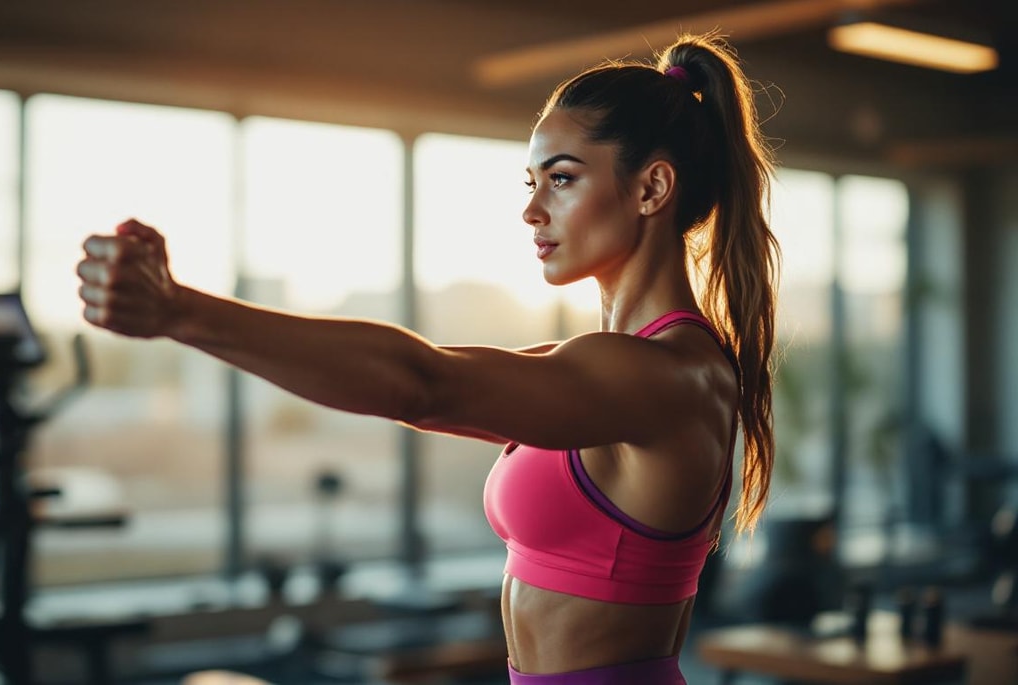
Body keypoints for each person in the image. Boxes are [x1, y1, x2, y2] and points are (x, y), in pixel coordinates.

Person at [76, 30, 778, 685]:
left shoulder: (665, 376)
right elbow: (430, 374)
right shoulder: (602, 365)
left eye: (560, 178)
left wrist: (180, 310)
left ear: (652, 188)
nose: (532, 210)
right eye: (530, 182)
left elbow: (422, 383)